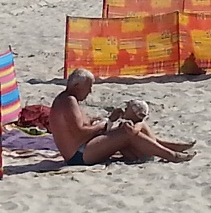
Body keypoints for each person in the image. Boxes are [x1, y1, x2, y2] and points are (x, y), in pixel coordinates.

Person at [49, 68, 196, 166]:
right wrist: (105, 123)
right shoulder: (69, 101)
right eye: (89, 87)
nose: (90, 92)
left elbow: (78, 126)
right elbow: (80, 132)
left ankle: (167, 146)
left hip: (80, 150)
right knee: (127, 131)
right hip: (78, 155)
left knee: (128, 128)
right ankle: (171, 155)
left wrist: (97, 121)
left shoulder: (66, 99)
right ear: (77, 86)